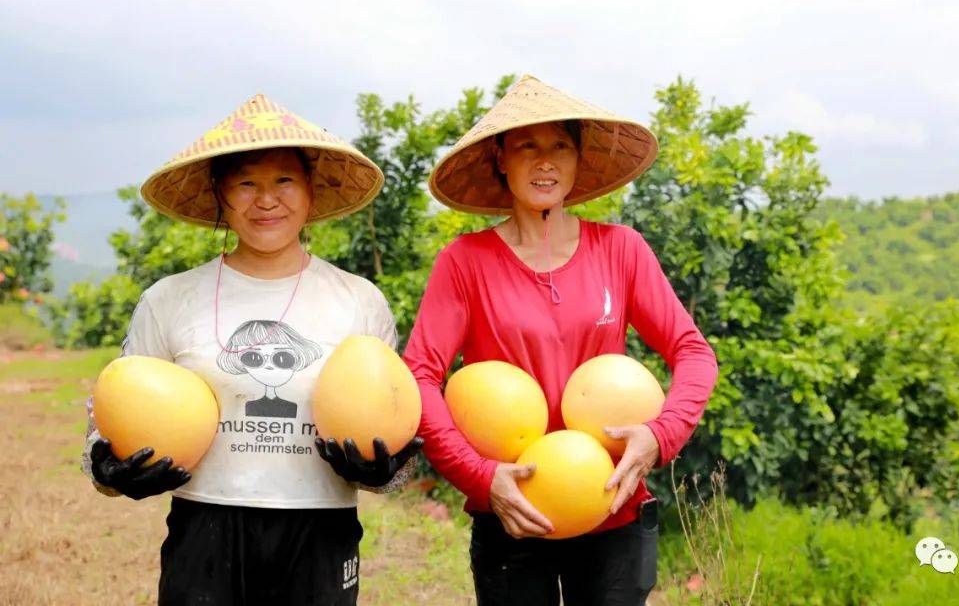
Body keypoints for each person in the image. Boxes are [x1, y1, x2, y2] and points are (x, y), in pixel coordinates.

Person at [80, 94, 422, 605]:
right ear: (220, 193)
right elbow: (105, 422)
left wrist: (387, 471)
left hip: (320, 529)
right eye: (246, 183)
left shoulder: (359, 301)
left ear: (310, 190)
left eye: (284, 180)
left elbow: (389, 432)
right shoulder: (170, 299)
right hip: (206, 525)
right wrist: (107, 470)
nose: (266, 200)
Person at [405, 76, 719, 605]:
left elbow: (693, 352)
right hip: (513, 511)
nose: (544, 161)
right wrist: (480, 477)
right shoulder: (465, 261)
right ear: (501, 158)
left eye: (559, 146)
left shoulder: (621, 250)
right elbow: (419, 375)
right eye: (527, 146)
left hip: (612, 507)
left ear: (577, 162)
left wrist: (660, 436)